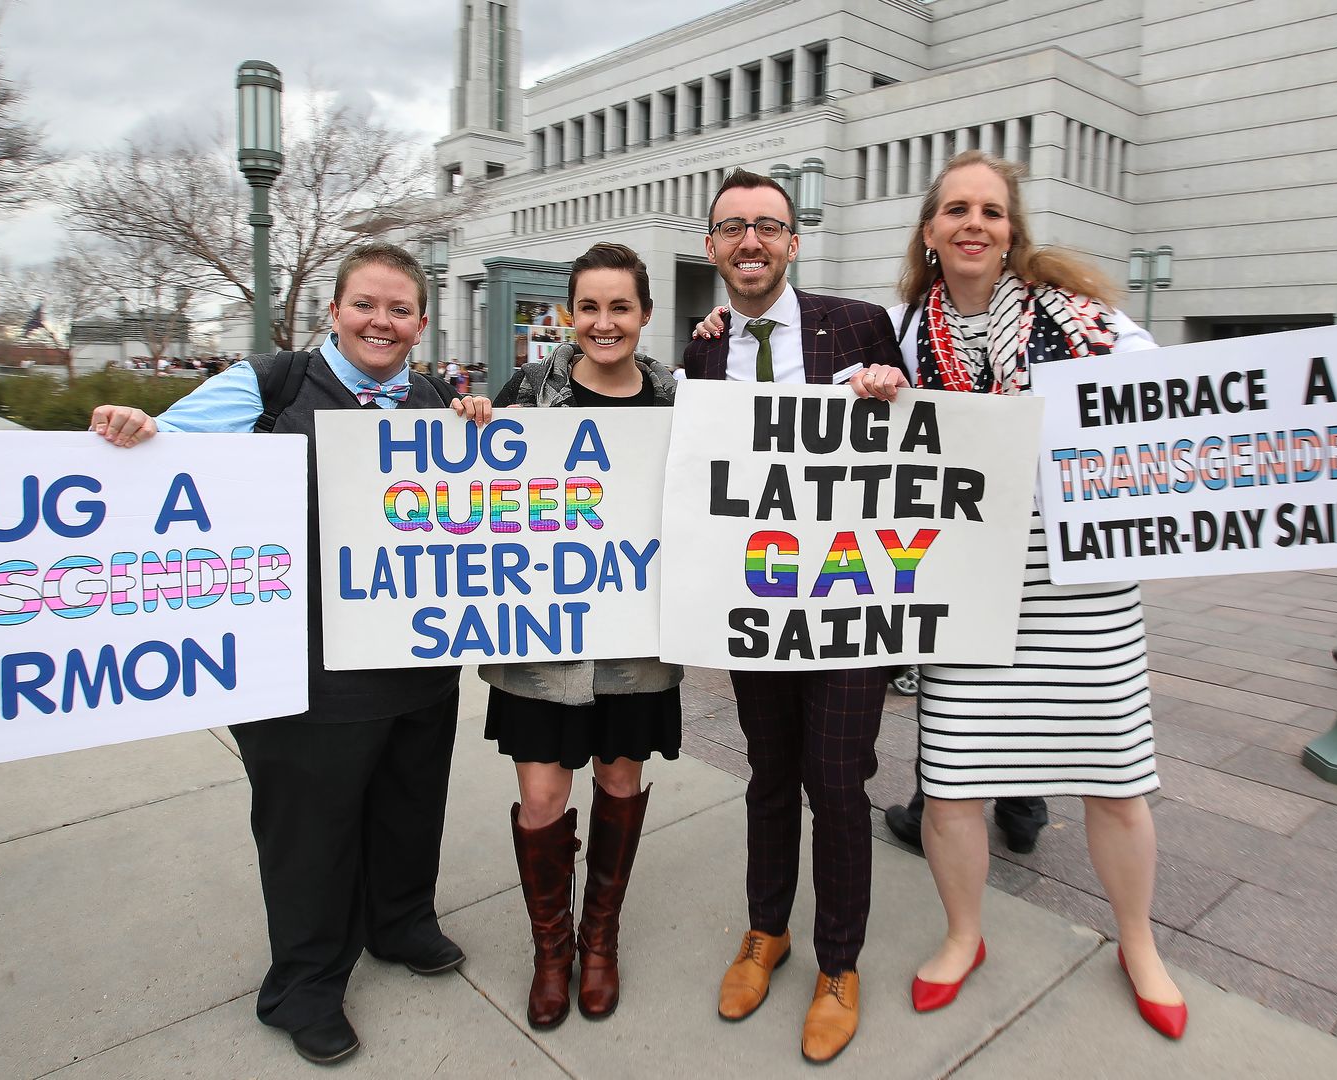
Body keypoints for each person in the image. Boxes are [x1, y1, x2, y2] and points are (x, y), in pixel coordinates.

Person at [88, 243, 477, 1068]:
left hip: (417, 659)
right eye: (366, 304)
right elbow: (163, 448)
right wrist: (131, 429)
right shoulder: (270, 385)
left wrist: (479, 430)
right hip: (301, 666)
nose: (382, 321)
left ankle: (400, 922)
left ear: (420, 322)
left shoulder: (436, 398)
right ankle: (303, 987)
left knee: (409, 805)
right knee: (311, 829)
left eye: (400, 309)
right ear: (333, 311)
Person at [846, 150, 1188, 1039]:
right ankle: (964, 936)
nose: (972, 224)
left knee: (1114, 781)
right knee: (954, 784)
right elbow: (832, 424)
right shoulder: (902, 334)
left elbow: (1189, 407)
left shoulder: (1088, 323)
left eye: (990, 212)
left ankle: (1139, 943)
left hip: (1080, 584)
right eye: (955, 209)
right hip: (968, 583)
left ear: (1011, 232)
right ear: (929, 232)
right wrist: (871, 390)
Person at [681, 170, 901, 1063]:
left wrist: (894, 385)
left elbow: (929, 431)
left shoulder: (857, 324)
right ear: (712, 247)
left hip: (849, 598)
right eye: (733, 228)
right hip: (760, 602)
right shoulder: (702, 350)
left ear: (794, 241)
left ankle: (839, 963)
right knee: (769, 772)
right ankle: (765, 930)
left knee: (837, 779)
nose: (751, 242)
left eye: (767, 226)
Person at [450, 242, 683, 1031]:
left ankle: (601, 941)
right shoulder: (525, 394)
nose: (604, 322)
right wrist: (471, 428)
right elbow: (475, 492)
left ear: (644, 315)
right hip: (540, 648)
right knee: (542, 799)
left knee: (620, 784)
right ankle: (553, 949)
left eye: (621, 308)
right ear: (570, 315)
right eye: (590, 307)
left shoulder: (676, 403)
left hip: (636, 647)